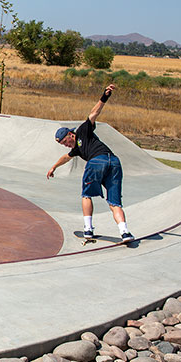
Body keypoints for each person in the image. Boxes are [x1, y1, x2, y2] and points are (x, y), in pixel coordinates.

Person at [47, 83, 134, 242]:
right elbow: (66, 157)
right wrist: (54, 166)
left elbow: (94, 113)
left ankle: (88, 229)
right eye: (62, 145)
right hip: (114, 163)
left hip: (97, 161)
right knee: (115, 203)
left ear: (70, 134)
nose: (66, 145)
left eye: (65, 141)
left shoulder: (82, 130)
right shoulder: (77, 149)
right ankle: (125, 232)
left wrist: (104, 96)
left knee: (86, 195)